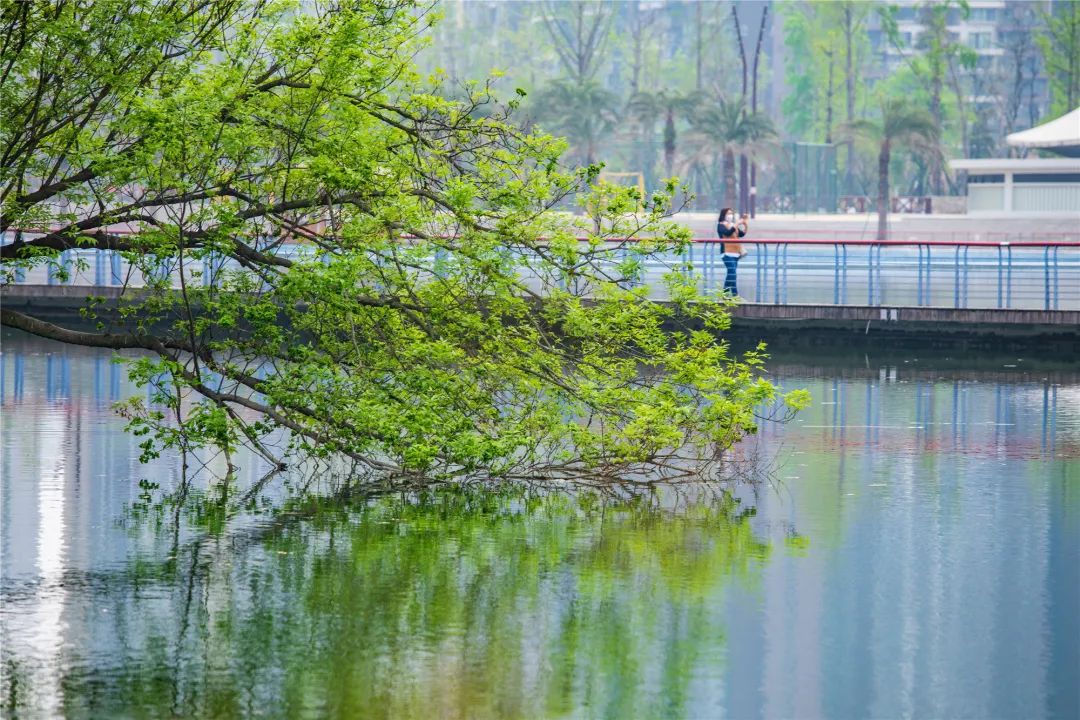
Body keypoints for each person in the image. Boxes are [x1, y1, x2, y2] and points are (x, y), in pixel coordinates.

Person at [716, 207, 748, 295]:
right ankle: (734, 294)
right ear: (724, 215)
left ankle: (726, 295)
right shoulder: (720, 225)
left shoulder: (734, 225)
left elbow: (742, 234)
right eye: (728, 213)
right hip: (726, 253)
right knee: (732, 273)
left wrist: (745, 223)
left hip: (736, 253)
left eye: (731, 213)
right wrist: (737, 223)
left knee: (732, 274)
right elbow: (727, 232)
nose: (730, 215)